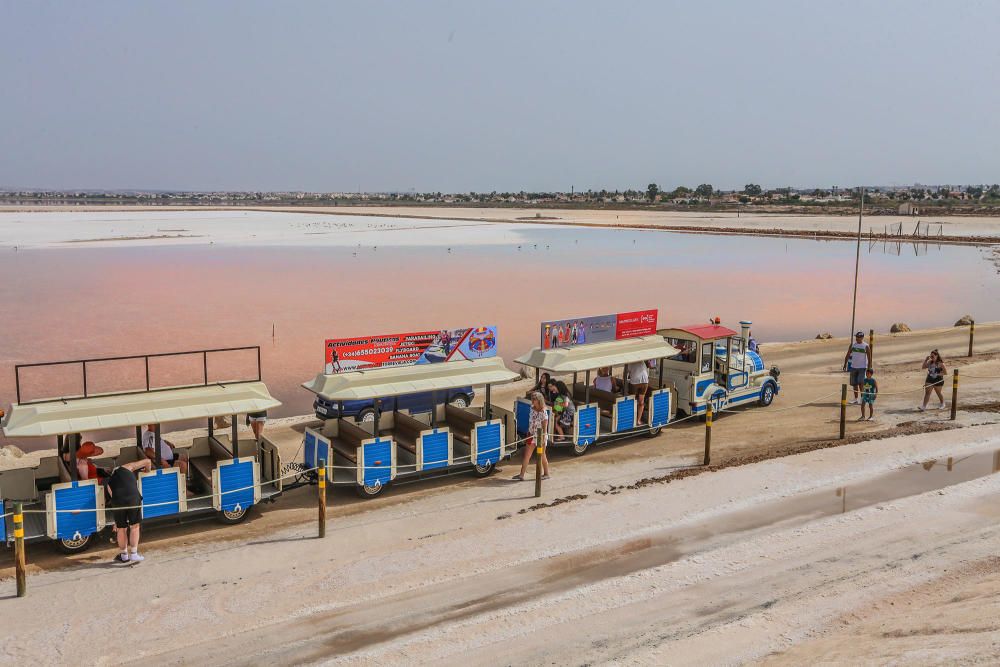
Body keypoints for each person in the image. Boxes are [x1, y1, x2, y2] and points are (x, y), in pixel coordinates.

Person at [106, 458, 153, 563]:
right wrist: (147, 471)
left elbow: (114, 498)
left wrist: (116, 522)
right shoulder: (127, 467)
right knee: (134, 526)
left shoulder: (109, 483)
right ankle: (134, 554)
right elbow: (148, 461)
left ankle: (124, 556)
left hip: (118, 501)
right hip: (133, 499)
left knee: (121, 528)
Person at [513, 392, 550, 481]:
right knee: (527, 456)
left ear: (539, 401)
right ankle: (521, 475)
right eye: (532, 399)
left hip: (540, 437)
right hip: (531, 435)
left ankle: (546, 473)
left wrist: (543, 439)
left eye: (534, 399)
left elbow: (545, 428)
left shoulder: (543, 412)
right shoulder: (532, 408)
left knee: (542, 455)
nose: (532, 401)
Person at [843, 331, 872, 404]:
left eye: (858, 337)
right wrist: (845, 364)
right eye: (856, 337)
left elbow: (869, 357)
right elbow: (848, 354)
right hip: (853, 367)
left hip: (862, 367)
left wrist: (869, 368)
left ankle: (863, 399)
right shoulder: (853, 345)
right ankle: (856, 399)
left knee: (861, 383)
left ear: (862, 337)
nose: (857, 338)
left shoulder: (866, 346)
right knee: (854, 383)